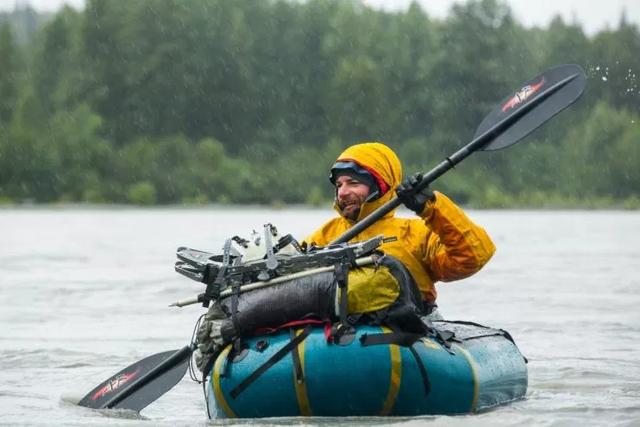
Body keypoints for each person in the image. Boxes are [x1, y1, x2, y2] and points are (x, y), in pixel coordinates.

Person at [304, 142, 496, 320]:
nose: (343, 192)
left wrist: (431, 207)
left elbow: (473, 257)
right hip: (339, 333)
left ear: (381, 186)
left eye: (353, 183)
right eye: (339, 185)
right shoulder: (325, 236)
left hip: (409, 328)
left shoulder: (415, 233)